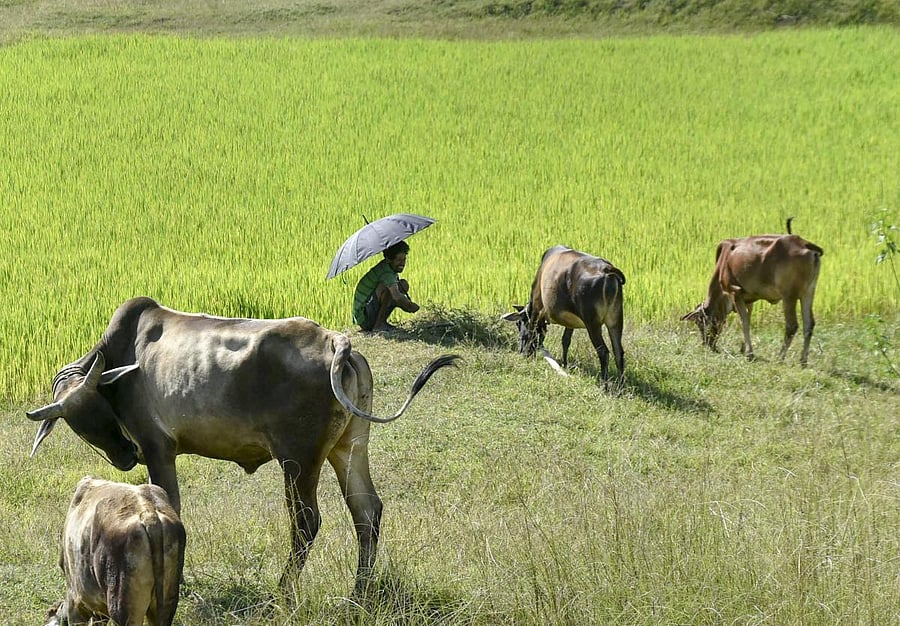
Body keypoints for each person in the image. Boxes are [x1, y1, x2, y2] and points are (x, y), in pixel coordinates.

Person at [352, 241, 420, 332]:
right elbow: (396, 297)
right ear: (389, 259)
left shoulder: (389, 268)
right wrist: (410, 305)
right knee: (389, 290)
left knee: (402, 284)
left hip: (369, 311)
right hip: (364, 318)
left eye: (404, 259)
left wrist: (406, 305)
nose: (402, 263)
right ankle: (379, 325)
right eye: (398, 260)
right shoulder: (386, 272)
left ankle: (380, 322)